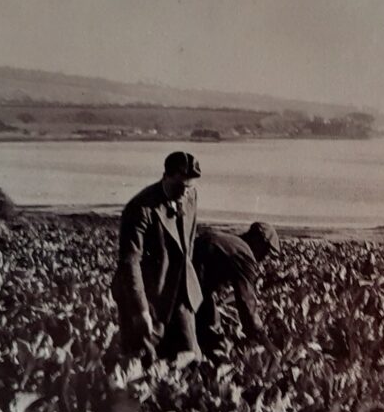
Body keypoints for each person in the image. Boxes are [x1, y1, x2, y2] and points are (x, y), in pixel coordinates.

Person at [111, 151, 204, 362]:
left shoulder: (191, 196)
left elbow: (187, 243)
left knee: (190, 357)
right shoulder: (140, 209)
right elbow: (130, 262)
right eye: (179, 186)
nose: (184, 193)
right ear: (166, 176)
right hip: (147, 295)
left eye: (189, 187)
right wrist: (141, 310)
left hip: (179, 293)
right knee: (143, 359)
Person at [193, 222, 280, 357]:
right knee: (202, 342)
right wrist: (263, 338)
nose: (264, 257)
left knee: (210, 321)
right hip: (192, 289)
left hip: (186, 281)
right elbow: (246, 301)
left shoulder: (230, 240)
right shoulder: (244, 254)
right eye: (266, 251)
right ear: (258, 241)